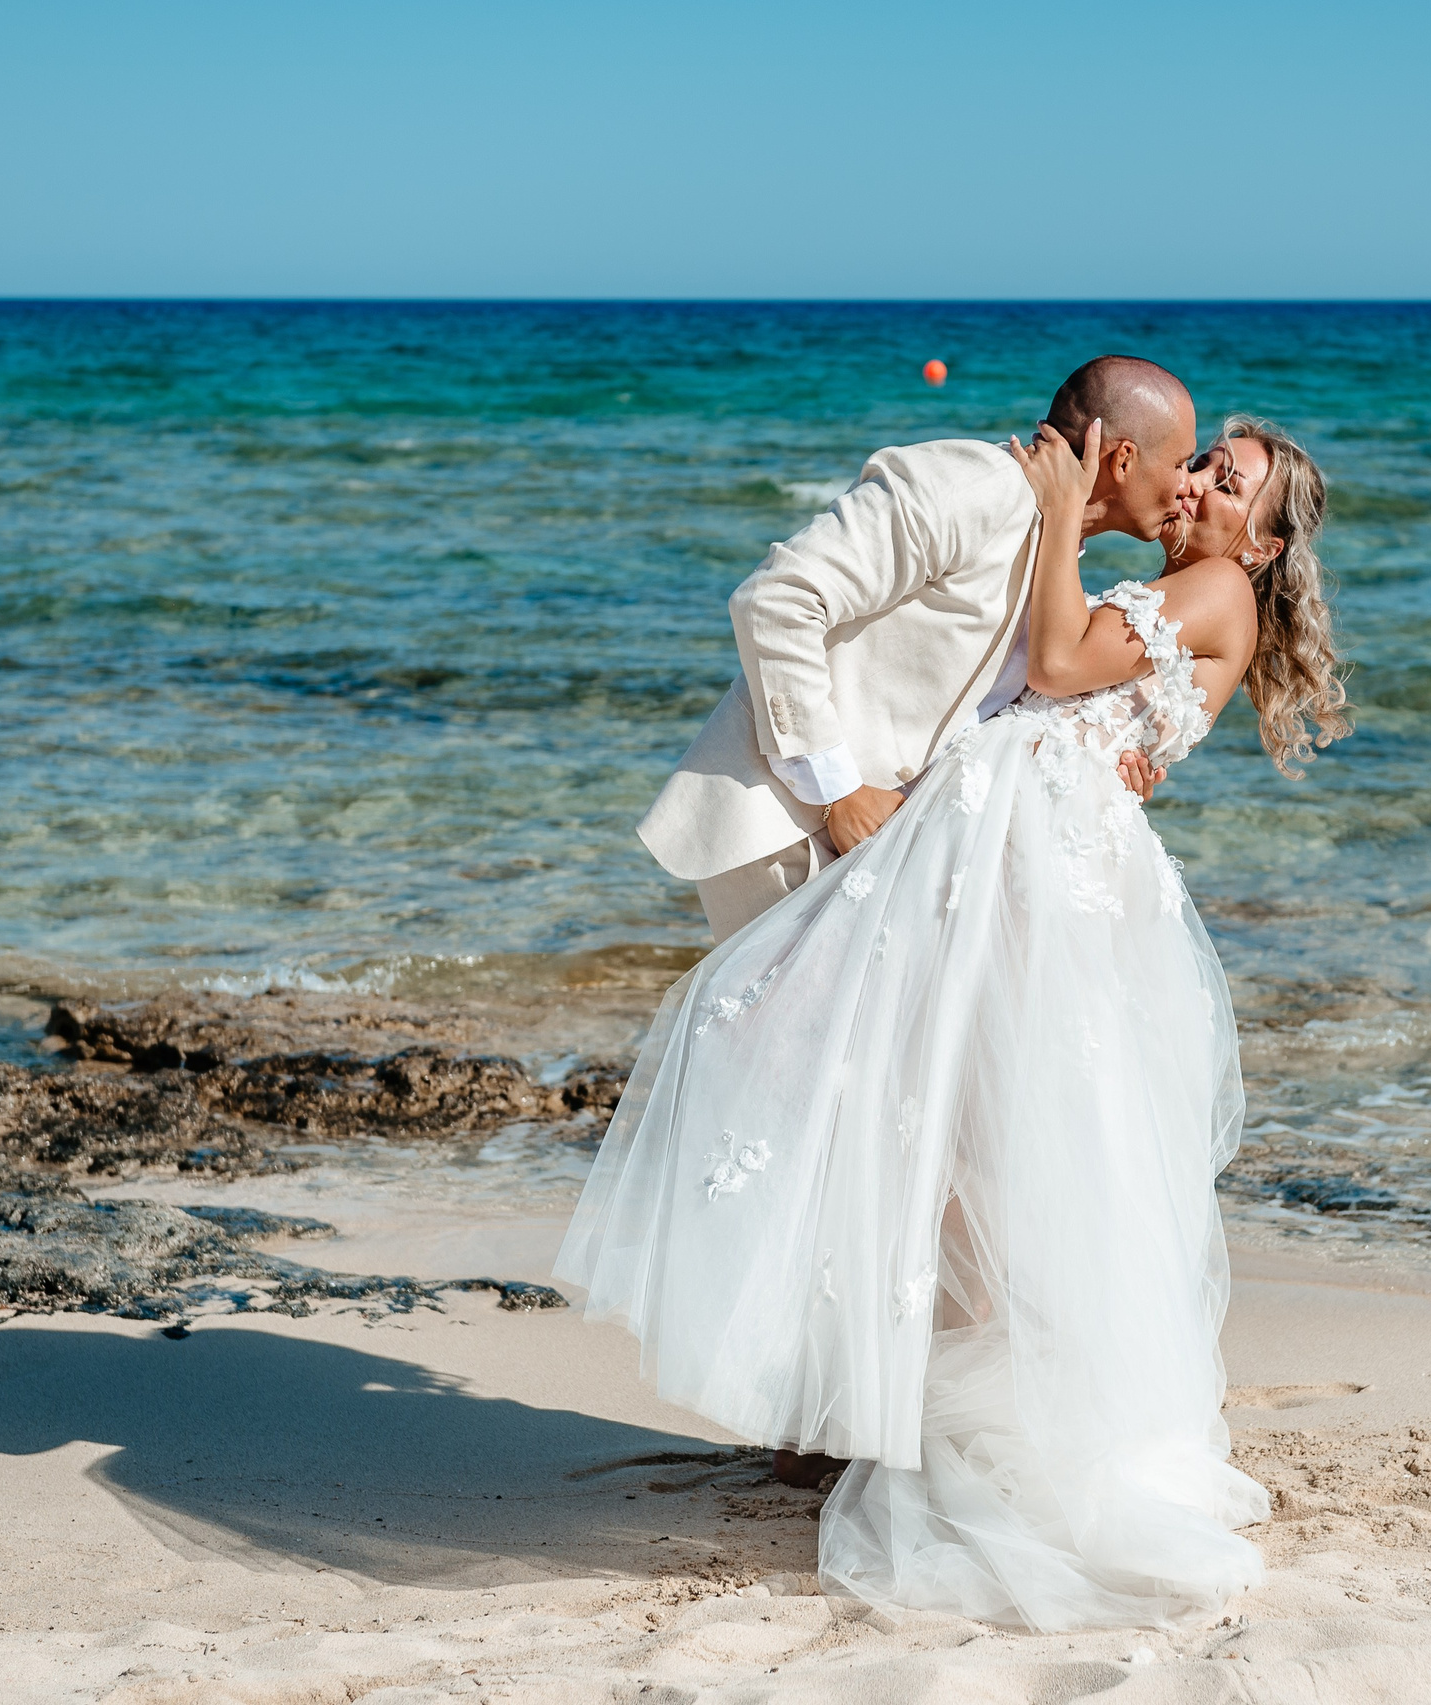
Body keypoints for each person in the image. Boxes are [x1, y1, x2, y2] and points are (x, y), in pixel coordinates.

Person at [556, 401, 1351, 1632]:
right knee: (930, 1124)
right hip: (996, 851)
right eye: (1197, 458)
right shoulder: (1189, 593)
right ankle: (854, 1409)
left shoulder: (1212, 598)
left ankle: (906, 1424)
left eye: (1224, 475)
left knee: (959, 1139)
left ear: (1258, 540)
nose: (1197, 481)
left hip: (1028, 870)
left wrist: (1050, 527)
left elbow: (1057, 666)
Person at [634, 356, 1194, 945]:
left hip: (894, 858)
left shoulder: (1055, 547)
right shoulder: (973, 485)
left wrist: (1094, 772)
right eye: (1182, 462)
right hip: (788, 829)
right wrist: (837, 793)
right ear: (1123, 458)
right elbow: (777, 598)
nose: (1188, 484)